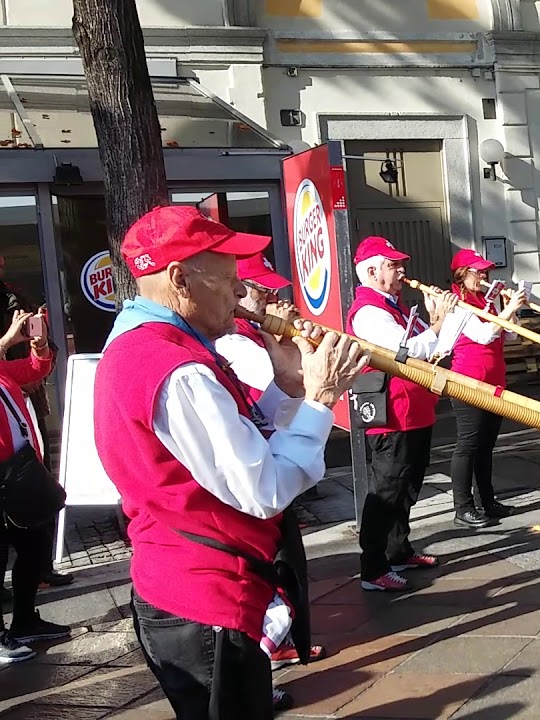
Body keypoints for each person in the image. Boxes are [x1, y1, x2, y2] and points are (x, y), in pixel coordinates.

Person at [94, 205, 367, 719]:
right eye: (227, 280)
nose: (241, 294)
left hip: (187, 584)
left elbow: (234, 445)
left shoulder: (151, 346)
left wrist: (288, 389)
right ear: (180, 279)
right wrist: (321, 397)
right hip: (205, 592)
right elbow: (262, 490)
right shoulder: (177, 367)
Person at [211, 252, 326, 708]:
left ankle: (271, 650)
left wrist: (294, 376)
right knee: (270, 578)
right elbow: (260, 432)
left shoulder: (248, 338)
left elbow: (265, 410)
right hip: (256, 485)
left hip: (270, 469)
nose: (267, 298)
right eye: (261, 290)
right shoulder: (234, 344)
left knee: (283, 572)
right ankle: (266, 652)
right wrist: (314, 383)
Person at [347, 237, 461, 589]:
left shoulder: (392, 306)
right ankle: (373, 568)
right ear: (371, 272)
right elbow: (407, 351)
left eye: (400, 265)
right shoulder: (369, 311)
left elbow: (433, 349)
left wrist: (438, 320)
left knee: (407, 487)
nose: (401, 272)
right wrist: (439, 322)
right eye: (393, 265)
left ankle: (398, 550)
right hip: (393, 413)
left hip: (414, 410)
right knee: (387, 489)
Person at [0, 307, 65, 665]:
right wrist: (7, 341)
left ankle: (24, 621)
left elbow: (34, 370)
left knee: (32, 545)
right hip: (4, 477)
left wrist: (38, 346)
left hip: (19, 474)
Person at [448, 249, 527, 529]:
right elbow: (482, 335)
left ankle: (487, 500)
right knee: (468, 445)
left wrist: (510, 309)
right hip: (468, 381)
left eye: (485, 271)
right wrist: (506, 310)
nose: (483, 276)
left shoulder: (486, 300)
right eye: (478, 271)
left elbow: (511, 334)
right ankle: (463, 507)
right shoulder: (458, 303)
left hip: (494, 379)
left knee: (486, 445)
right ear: (462, 274)